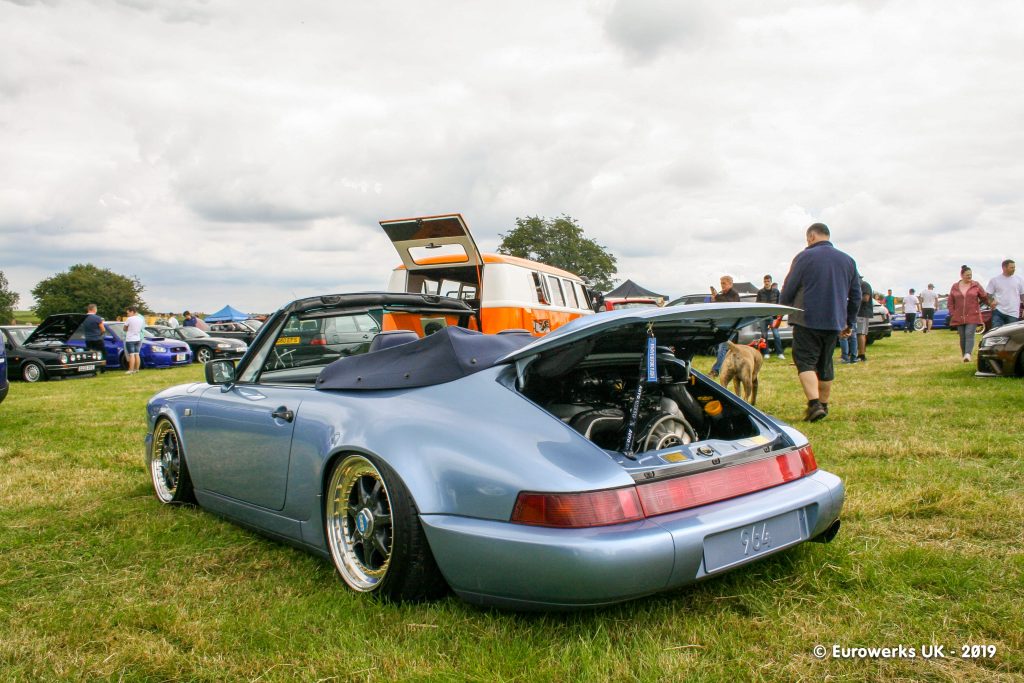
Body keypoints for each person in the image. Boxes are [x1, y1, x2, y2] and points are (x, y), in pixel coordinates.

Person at [780, 223, 859, 422]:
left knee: (805, 360)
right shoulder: (848, 260)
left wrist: (782, 307)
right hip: (835, 321)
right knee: (825, 362)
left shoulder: (804, 257)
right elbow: (856, 295)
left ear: (812, 237)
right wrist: (848, 322)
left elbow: (789, 286)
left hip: (806, 319)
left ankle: (814, 404)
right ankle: (824, 405)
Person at [949, 265, 990, 362]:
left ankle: (968, 353)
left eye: (970, 275)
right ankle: (965, 355)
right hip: (959, 316)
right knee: (962, 336)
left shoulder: (976, 285)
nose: (969, 277)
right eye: (967, 275)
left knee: (969, 333)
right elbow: (950, 302)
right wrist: (952, 313)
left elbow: (984, 297)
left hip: (973, 314)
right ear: (961, 275)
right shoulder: (955, 287)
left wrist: (991, 303)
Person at [709, 275, 740, 377]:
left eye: (724, 283)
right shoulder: (723, 295)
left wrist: (717, 297)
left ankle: (715, 370)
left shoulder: (734, 294)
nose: (722, 285)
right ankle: (732, 369)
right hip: (725, 325)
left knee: (722, 347)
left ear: (730, 284)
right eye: (721, 283)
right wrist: (714, 299)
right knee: (724, 348)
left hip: (733, 326)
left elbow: (729, 303)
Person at [986, 259, 1024, 329]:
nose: (1014, 269)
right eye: (1011, 267)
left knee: (1011, 335)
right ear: (1004, 268)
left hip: (1013, 313)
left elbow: (1022, 295)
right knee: (996, 334)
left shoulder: (1019, 280)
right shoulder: (995, 280)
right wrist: (991, 302)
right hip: (998, 311)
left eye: (1014, 267)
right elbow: (988, 294)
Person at [756, 274, 784, 359]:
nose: (766, 283)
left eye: (768, 281)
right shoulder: (760, 292)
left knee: (776, 335)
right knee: (764, 336)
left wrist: (779, 315)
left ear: (771, 282)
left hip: (773, 317)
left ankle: (780, 353)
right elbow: (757, 304)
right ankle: (766, 353)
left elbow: (779, 303)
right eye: (765, 281)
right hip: (763, 317)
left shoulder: (776, 291)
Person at [82, 304, 106, 373]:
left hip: (88, 339)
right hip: (97, 339)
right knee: (102, 354)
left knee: (90, 354)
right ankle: (102, 369)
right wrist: (100, 334)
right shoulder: (97, 318)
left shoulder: (83, 318)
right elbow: (103, 329)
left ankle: (92, 369)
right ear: (94, 309)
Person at [123, 306, 146, 375]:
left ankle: (131, 370)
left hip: (130, 339)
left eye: (128, 313)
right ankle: (137, 369)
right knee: (137, 354)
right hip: (138, 338)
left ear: (132, 312)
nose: (127, 314)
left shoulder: (129, 319)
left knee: (131, 355)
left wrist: (128, 329)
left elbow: (124, 328)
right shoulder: (141, 319)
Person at [855, 277, 873, 361]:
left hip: (863, 312)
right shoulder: (859, 285)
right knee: (860, 333)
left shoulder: (864, 285)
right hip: (859, 312)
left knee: (860, 333)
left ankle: (861, 355)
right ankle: (859, 353)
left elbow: (866, 298)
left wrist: (854, 299)